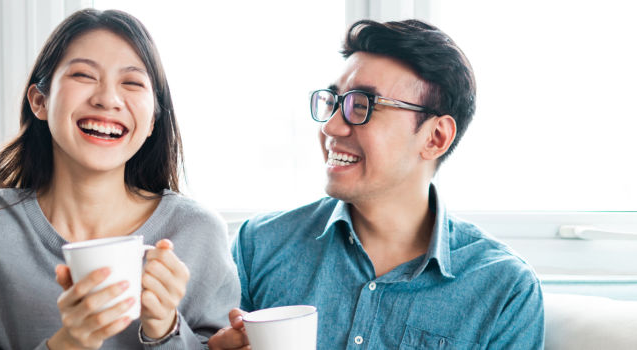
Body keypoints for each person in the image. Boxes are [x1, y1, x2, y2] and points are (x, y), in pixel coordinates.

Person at [209, 19, 543, 349]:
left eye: (362, 106)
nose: (331, 127)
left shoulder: (505, 289)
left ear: (435, 137)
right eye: (333, 102)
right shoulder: (260, 245)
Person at [0, 9, 239, 349]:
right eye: (83, 75)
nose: (107, 99)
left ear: (152, 120)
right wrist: (70, 342)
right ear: (39, 101)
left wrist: (164, 328)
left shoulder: (198, 234)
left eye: (132, 83)